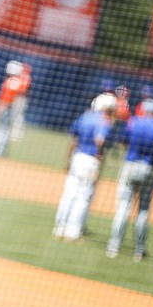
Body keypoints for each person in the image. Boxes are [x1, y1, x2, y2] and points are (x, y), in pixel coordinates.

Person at [106, 99, 153, 261]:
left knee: (123, 208)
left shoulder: (133, 122)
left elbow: (124, 143)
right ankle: (139, 251)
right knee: (143, 211)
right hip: (148, 169)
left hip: (130, 166)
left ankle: (114, 246)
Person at [53, 93, 117, 240]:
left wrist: (68, 161)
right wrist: (100, 156)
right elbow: (100, 140)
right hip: (91, 160)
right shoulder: (103, 121)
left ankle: (59, 228)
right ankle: (73, 231)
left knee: (69, 194)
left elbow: (73, 140)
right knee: (83, 197)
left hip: (77, 157)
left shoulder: (85, 116)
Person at [0, 60, 30, 157]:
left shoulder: (11, 82)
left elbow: (7, 98)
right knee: (6, 131)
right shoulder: (22, 80)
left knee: (2, 130)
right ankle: (1, 152)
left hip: (7, 108)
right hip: (13, 109)